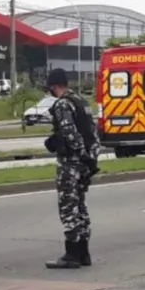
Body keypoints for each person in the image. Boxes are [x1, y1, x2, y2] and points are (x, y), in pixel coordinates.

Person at [42, 68, 101, 269]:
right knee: (81, 205)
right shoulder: (82, 102)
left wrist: (65, 146)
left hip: (71, 163)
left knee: (68, 206)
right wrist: (91, 159)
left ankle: (72, 253)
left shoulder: (63, 104)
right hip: (86, 163)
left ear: (53, 86)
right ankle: (84, 252)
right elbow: (92, 132)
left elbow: (70, 133)